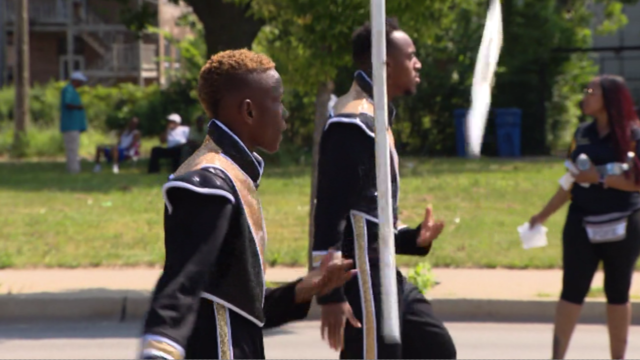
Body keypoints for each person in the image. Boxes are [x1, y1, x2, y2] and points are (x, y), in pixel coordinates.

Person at [140, 49, 356, 360]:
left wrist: (305, 288)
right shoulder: (210, 181)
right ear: (249, 111)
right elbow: (183, 283)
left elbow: (240, 306)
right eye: (277, 100)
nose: (284, 114)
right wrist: (159, 349)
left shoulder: (233, 175)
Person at [312, 19, 456, 359]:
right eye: (412, 56)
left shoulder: (376, 117)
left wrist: (412, 238)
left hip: (384, 271)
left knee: (435, 348)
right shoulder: (352, 122)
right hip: (360, 279)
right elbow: (331, 211)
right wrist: (331, 293)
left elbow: (369, 214)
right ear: (387, 64)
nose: (418, 63)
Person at [529, 75, 640, 360]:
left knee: (618, 292)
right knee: (572, 291)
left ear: (610, 99)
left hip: (623, 223)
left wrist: (599, 176)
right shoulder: (581, 134)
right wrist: (542, 215)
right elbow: (570, 181)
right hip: (581, 223)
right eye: (585, 90)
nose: (585, 96)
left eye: (592, 92)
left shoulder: (632, 134)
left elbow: (637, 182)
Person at [60, 71, 88, 174]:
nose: (81, 85)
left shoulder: (74, 91)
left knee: (74, 148)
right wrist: (78, 107)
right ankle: (73, 170)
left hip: (75, 125)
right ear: (75, 81)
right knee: (72, 148)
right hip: (70, 125)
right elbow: (68, 104)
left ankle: (74, 168)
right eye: (80, 82)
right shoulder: (68, 90)